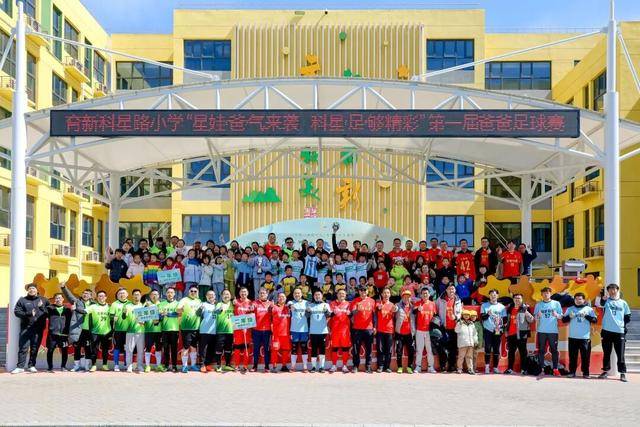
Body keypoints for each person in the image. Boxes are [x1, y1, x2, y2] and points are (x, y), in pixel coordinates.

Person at [597, 283, 631, 382]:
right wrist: (602, 298)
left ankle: (622, 373)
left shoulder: (623, 303)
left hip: (619, 332)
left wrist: (622, 325)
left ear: (617, 290)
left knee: (620, 354)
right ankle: (605, 371)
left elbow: (627, 316)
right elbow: (599, 304)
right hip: (606, 331)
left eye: (614, 289)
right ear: (608, 291)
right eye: (610, 289)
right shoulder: (605, 301)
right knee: (606, 353)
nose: (612, 291)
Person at [12, 283, 48, 374]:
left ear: (37, 290)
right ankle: (20, 367)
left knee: (34, 348)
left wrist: (42, 307)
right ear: (27, 290)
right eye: (30, 289)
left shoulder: (43, 300)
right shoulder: (22, 300)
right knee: (23, 348)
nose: (32, 290)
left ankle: (31, 366)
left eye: (33, 288)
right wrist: (28, 314)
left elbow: (48, 313)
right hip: (26, 328)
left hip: (38, 329)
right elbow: (17, 312)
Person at [562, 292, 597, 378]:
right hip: (572, 337)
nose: (578, 301)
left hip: (585, 337)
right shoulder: (570, 309)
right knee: (572, 356)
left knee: (585, 356)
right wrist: (570, 316)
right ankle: (572, 372)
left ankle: (585, 373)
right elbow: (563, 320)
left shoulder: (589, 309)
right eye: (576, 299)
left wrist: (586, 316)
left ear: (584, 300)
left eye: (580, 299)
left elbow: (595, 320)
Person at [60, 282, 92, 372]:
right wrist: (64, 287)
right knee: (77, 347)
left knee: (88, 348)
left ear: (91, 296)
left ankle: (87, 366)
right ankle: (76, 366)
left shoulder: (93, 304)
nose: (85, 295)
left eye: (87, 294)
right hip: (78, 330)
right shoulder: (77, 302)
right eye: (84, 293)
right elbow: (69, 296)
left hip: (89, 330)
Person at [534, 287, 563, 376]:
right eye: (544, 293)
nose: (546, 294)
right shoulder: (538, 305)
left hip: (553, 331)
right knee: (541, 350)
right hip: (541, 331)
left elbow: (561, 316)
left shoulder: (556, 303)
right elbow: (535, 318)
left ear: (550, 294)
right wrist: (538, 316)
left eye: (548, 293)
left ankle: (555, 369)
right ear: (541, 295)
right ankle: (541, 368)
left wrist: (556, 315)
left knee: (554, 350)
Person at [504, 293, 534, 375]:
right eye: (516, 298)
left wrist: (526, 312)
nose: (517, 300)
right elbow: (507, 321)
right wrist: (506, 331)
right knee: (511, 352)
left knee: (523, 353)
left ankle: (524, 369)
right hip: (511, 334)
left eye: (519, 298)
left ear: (522, 299)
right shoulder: (510, 308)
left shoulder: (525, 308)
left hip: (522, 334)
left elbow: (531, 320)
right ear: (513, 299)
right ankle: (510, 369)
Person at [45, 293, 75, 372]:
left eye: (60, 298)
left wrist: (74, 310)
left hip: (64, 334)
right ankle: (50, 367)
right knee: (50, 350)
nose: (58, 299)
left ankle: (63, 367)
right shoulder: (50, 308)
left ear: (63, 299)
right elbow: (43, 313)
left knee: (64, 351)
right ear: (54, 300)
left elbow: (73, 319)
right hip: (53, 334)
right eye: (56, 298)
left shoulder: (67, 310)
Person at [436, 283, 462, 372]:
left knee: (453, 348)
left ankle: (451, 366)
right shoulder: (440, 299)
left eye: (453, 289)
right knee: (442, 347)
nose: (451, 290)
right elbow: (436, 311)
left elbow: (460, 312)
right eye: (449, 289)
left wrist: (456, 317)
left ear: (455, 290)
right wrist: (439, 322)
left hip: (454, 328)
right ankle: (443, 365)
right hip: (443, 327)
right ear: (446, 290)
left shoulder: (458, 300)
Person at [350, 284, 376, 373]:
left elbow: (374, 315)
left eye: (365, 290)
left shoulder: (372, 301)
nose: (363, 292)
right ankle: (355, 366)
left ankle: (368, 366)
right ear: (359, 292)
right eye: (361, 290)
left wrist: (374, 327)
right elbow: (353, 312)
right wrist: (357, 309)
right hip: (357, 329)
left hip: (369, 329)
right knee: (356, 349)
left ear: (367, 291)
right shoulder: (355, 301)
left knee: (369, 349)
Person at [481, 289, 507, 374]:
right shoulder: (484, 305)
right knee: (487, 348)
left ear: (497, 296)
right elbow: (482, 318)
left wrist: (501, 327)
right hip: (488, 329)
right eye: (491, 295)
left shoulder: (502, 307)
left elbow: (505, 320)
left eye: (495, 295)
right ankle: (487, 367)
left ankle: (495, 367)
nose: (493, 296)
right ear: (489, 296)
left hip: (497, 330)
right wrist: (487, 314)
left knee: (496, 349)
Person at [177, 285, 202, 373]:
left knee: (194, 347)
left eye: (195, 291)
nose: (193, 293)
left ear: (197, 292)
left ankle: (193, 365)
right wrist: (181, 309)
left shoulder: (199, 301)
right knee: (186, 347)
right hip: (186, 327)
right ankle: (184, 366)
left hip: (196, 328)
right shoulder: (184, 300)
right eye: (191, 291)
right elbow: (178, 310)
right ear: (188, 292)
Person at [86, 290, 111, 372]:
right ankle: (93, 365)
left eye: (103, 296)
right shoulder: (93, 306)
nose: (101, 298)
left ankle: (105, 365)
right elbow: (83, 311)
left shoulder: (110, 307)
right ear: (97, 297)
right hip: (95, 332)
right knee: (94, 350)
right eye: (99, 296)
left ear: (106, 297)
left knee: (105, 350)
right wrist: (75, 309)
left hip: (106, 332)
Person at [414, 287, 437, 373]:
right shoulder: (418, 303)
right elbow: (413, 312)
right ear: (420, 295)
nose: (425, 295)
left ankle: (431, 366)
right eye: (423, 293)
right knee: (419, 349)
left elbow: (435, 316)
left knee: (429, 349)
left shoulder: (433, 304)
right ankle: (418, 366)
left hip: (429, 331)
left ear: (429, 294)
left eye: (426, 293)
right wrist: (417, 309)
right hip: (419, 330)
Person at [329, 289, 352, 373]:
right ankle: (334, 365)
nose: (341, 295)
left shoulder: (349, 304)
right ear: (337, 295)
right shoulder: (332, 303)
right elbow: (329, 314)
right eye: (340, 293)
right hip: (335, 329)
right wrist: (333, 313)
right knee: (334, 348)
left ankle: (344, 366)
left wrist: (350, 314)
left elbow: (351, 315)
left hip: (345, 330)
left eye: (343, 294)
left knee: (345, 348)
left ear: (345, 295)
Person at [308, 290, 330, 373]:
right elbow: (306, 316)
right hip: (313, 331)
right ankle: (313, 367)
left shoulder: (326, 305)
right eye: (315, 295)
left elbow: (329, 315)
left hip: (323, 331)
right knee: (313, 349)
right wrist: (308, 311)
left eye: (319, 295)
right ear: (313, 296)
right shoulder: (310, 305)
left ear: (322, 296)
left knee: (322, 349)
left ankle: (321, 367)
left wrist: (326, 311)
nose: (317, 296)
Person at [109, 288, 131, 372]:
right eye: (120, 293)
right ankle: (116, 365)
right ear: (117, 295)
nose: (122, 295)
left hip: (129, 330)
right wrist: (113, 318)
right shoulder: (114, 304)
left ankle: (127, 364)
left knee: (127, 348)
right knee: (117, 347)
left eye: (123, 293)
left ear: (127, 294)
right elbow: (110, 316)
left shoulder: (130, 304)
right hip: (118, 330)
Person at [375, 287, 397, 373]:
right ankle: (380, 366)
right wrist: (379, 308)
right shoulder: (378, 303)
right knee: (380, 350)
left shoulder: (393, 305)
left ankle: (387, 367)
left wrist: (395, 310)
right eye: (384, 293)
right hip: (380, 330)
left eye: (388, 293)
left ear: (390, 294)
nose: (386, 294)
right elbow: (377, 309)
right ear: (381, 294)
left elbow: (396, 315)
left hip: (390, 331)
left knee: (389, 350)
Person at [288, 287, 310, 372]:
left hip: (304, 329)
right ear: (293, 294)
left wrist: (308, 311)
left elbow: (310, 312)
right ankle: (293, 366)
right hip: (294, 330)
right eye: (295, 293)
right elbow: (288, 304)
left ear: (301, 294)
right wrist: (290, 306)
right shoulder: (291, 302)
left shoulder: (306, 303)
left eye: (298, 293)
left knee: (304, 348)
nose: (297, 294)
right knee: (294, 348)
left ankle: (305, 366)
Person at [123, 289, 145, 373]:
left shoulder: (143, 306)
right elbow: (123, 317)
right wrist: (124, 313)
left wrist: (144, 322)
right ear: (132, 296)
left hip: (141, 331)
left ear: (140, 296)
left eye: (138, 294)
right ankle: (129, 366)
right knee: (129, 349)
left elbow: (147, 319)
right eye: (135, 294)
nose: (136, 296)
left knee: (140, 350)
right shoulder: (127, 306)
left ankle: (140, 366)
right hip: (130, 330)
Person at [232, 287, 254, 372]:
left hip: (247, 330)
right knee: (237, 348)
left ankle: (245, 366)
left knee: (246, 348)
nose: (243, 293)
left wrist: (252, 311)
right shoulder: (235, 302)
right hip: (237, 329)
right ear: (239, 293)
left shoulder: (251, 302)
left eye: (245, 292)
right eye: (242, 292)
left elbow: (252, 316)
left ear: (247, 293)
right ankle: (236, 365)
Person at [159, 287, 180, 372]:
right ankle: (166, 365)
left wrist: (168, 314)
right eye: (168, 292)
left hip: (174, 329)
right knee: (166, 349)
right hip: (164, 329)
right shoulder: (161, 304)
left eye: (171, 292)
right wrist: (161, 315)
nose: (170, 294)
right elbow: (159, 316)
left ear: (174, 294)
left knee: (174, 349)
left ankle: (174, 365)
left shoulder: (178, 303)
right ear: (165, 294)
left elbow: (178, 314)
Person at [252, 287, 273, 372]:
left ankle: (267, 366)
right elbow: (250, 311)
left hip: (267, 330)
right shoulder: (254, 303)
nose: (262, 294)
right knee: (256, 349)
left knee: (266, 349)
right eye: (260, 293)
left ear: (267, 294)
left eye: (264, 293)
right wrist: (251, 309)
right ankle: (255, 366)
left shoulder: (271, 303)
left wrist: (273, 308)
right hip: (256, 330)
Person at [214, 289, 235, 372]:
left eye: (228, 294)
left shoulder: (233, 304)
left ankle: (227, 365)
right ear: (221, 296)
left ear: (230, 296)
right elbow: (215, 312)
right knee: (219, 349)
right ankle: (218, 365)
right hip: (220, 331)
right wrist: (219, 310)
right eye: (224, 294)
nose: (226, 296)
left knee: (228, 349)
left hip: (230, 331)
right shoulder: (219, 304)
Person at [395, 290, 416, 374]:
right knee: (399, 351)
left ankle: (409, 367)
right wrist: (394, 309)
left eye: (408, 297)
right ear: (402, 297)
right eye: (405, 297)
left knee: (411, 351)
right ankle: (399, 367)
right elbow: (394, 310)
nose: (406, 298)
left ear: (410, 298)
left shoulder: (413, 307)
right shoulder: (397, 305)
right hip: (399, 332)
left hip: (410, 333)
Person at [143, 290, 164, 372]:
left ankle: (158, 365)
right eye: (152, 294)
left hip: (159, 331)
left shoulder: (161, 304)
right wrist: (147, 308)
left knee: (158, 349)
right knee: (148, 348)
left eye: (156, 294)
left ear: (159, 295)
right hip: (148, 330)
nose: (154, 296)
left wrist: (159, 316)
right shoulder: (146, 304)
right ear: (150, 296)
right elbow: (142, 317)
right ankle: (147, 366)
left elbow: (162, 316)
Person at [197, 290, 218, 372]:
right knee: (203, 349)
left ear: (215, 296)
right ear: (206, 296)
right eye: (209, 295)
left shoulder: (217, 305)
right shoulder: (203, 304)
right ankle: (202, 364)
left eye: (212, 295)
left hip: (214, 331)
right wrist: (200, 309)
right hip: (204, 330)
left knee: (211, 349)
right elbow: (197, 314)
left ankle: (208, 364)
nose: (211, 296)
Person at [271, 292, 292, 372]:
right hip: (276, 334)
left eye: (283, 297)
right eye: (279, 297)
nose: (281, 298)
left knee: (285, 350)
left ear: (286, 298)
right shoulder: (274, 307)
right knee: (275, 350)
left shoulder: (288, 308)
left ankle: (284, 366)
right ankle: (274, 366)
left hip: (286, 334)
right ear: (277, 298)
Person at [455, 310, 478, 375]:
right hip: (462, 343)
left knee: (469, 357)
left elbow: (474, 333)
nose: (466, 316)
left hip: (470, 343)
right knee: (461, 357)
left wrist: (475, 341)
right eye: (465, 315)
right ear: (462, 315)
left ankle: (470, 369)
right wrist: (459, 324)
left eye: (467, 315)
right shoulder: (460, 323)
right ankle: (459, 369)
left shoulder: (472, 323)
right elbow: (456, 330)